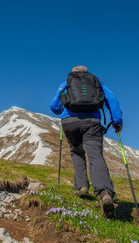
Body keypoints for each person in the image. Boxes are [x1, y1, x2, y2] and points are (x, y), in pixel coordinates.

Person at [50, 65, 123, 218]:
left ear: (73, 73)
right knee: (95, 154)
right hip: (91, 122)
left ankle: (82, 187)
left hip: (70, 123)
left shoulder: (65, 83)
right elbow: (112, 100)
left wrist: (62, 110)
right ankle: (105, 193)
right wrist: (117, 121)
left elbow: (54, 107)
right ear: (86, 73)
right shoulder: (96, 83)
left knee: (77, 151)